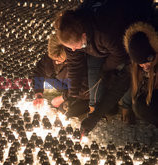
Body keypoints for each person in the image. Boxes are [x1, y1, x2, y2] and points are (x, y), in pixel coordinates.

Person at [54, 0, 155, 134]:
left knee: (141, 101)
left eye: (147, 63)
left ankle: (126, 106)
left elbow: (119, 58)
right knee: (137, 101)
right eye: (141, 65)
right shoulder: (73, 35)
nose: (72, 49)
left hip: (117, 38)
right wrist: (89, 114)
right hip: (105, 46)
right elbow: (116, 89)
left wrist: (106, 69)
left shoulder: (107, 32)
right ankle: (96, 109)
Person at [33, 34, 89, 118]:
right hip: (65, 84)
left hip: (83, 91)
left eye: (58, 60)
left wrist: (63, 98)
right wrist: (38, 93)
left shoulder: (78, 63)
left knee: (64, 111)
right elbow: (39, 71)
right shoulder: (52, 55)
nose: (56, 62)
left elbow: (84, 88)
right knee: (47, 73)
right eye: (53, 59)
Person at [120, 21, 158, 127]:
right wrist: (126, 106)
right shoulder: (136, 68)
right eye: (141, 64)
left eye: (147, 62)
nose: (145, 67)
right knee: (139, 106)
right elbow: (119, 88)